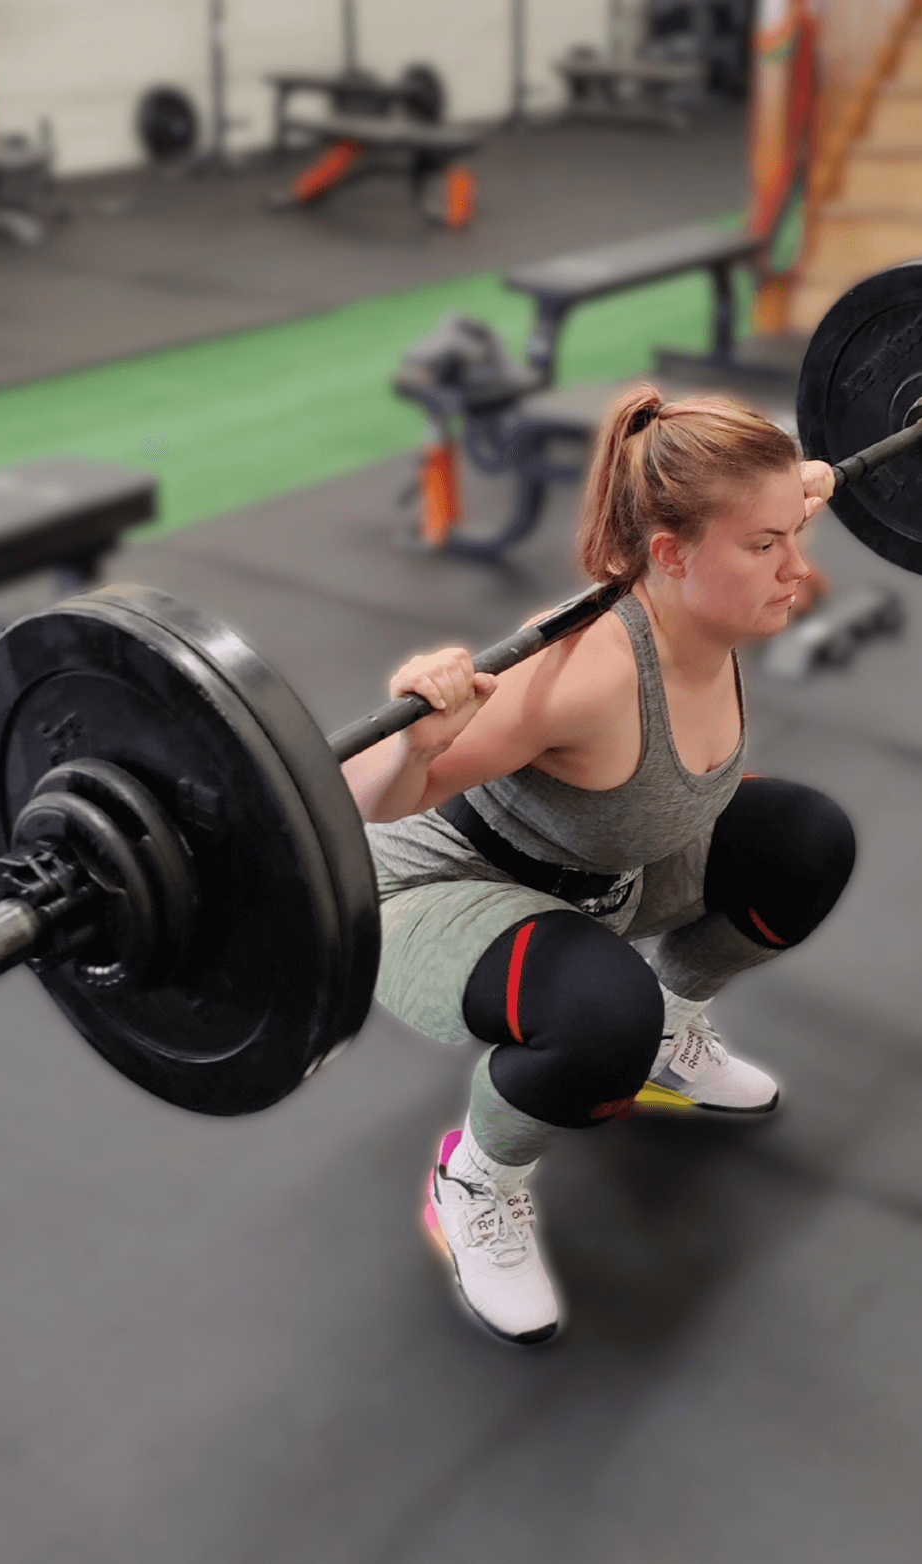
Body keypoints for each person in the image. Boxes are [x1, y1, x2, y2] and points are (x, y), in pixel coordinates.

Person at [343, 385, 856, 1345]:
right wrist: (419, 739)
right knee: (599, 1021)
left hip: (605, 873)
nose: (798, 570)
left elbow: (787, 498)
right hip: (438, 894)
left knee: (804, 842)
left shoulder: (719, 579)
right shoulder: (584, 675)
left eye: (796, 533)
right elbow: (363, 803)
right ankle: (475, 1182)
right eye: (766, 546)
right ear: (669, 554)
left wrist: (789, 497)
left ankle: (674, 1033)